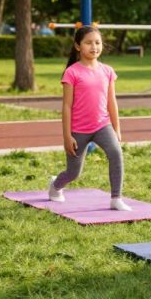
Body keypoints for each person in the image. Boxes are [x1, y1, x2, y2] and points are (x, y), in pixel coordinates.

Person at [49, 25, 130, 211]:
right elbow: (66, 106)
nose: (94, 47)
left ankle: (116, 198)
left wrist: (117, 128)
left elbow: (112, 102)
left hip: (103, 125)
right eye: (88, 43)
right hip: (78, 130)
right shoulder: (72, 72)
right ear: (78, 46)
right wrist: (67, 136)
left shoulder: (107, 71)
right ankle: (55, 185)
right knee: (73, 173)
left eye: (97, 42)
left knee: (116, 153)